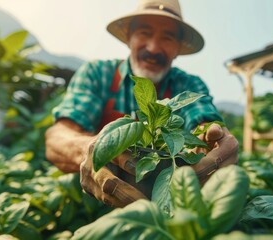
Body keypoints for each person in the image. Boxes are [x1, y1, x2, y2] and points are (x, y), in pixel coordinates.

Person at [45, 0, 239, 208]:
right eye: (144, 33)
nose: (153, 48)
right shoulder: (97, 74)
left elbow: (206, 125)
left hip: (167, 203)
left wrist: (213, 139)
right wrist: (93, 149)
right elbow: (57, 137)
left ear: (178, 48)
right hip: (91, 203)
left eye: (167, 37)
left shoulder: (188, 85)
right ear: (129, 38)